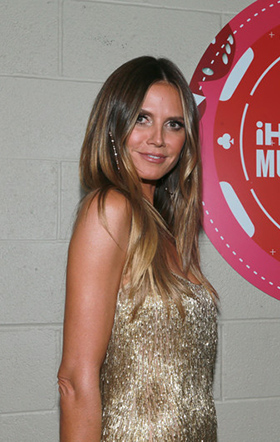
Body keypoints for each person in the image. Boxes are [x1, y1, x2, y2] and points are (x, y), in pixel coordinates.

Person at [57, 56, 218, 441]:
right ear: (113, 125)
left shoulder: (167, 229)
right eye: (142, 119)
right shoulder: (111, 209)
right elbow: (76, 379)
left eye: (174, 124)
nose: (158, 139)